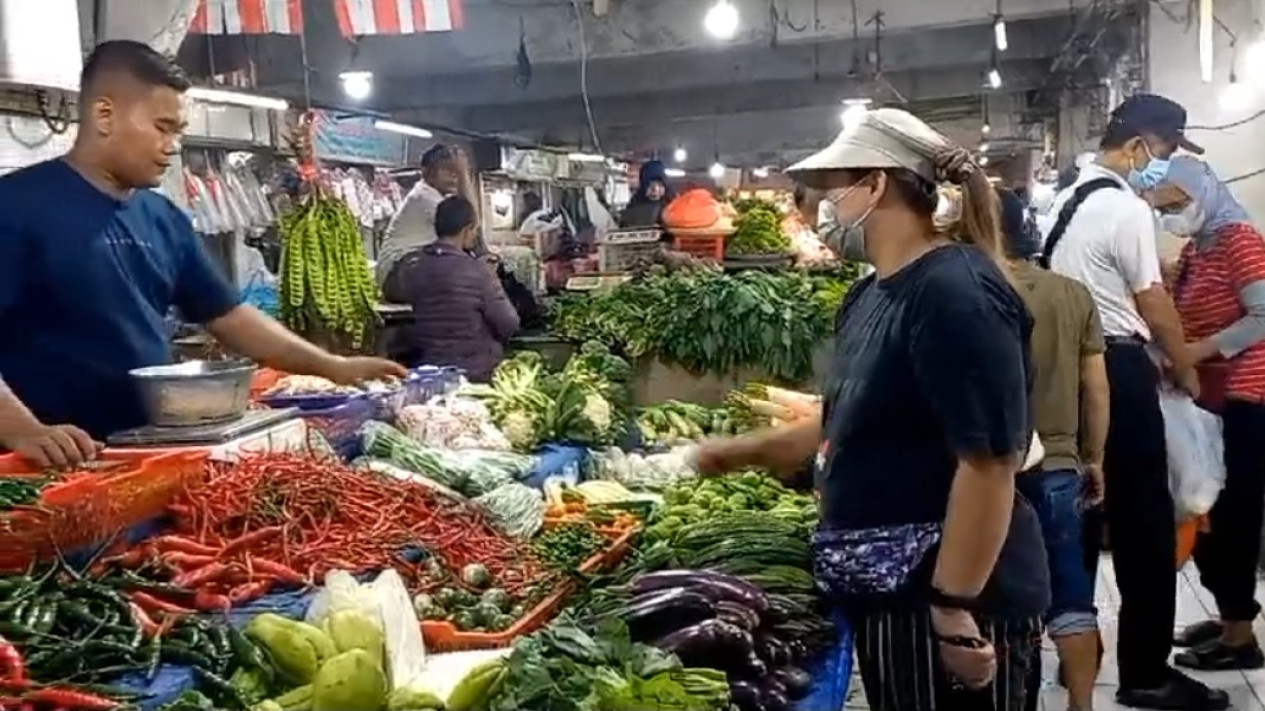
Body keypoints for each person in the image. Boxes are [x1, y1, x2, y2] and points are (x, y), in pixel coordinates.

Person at [697, 108, 1049, 711]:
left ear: (876, 184)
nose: (825, 209)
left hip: (943, 594)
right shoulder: (870, 293)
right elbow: (851, 419)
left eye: (834, 190)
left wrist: (953, 609)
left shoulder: (955, 290)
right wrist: (744, 452)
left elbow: (991, 460)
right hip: (887, 586)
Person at [0, 40, 405, 467]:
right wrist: (24, 429)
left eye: (178, 130)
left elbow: (228, 316)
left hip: (142, 453)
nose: (174, 145)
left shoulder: (163, 218)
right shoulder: (15, 207)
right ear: (104, 115)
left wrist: (330, 367)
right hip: (42, 471)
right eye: (163, 127)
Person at [1040, 94, 1228, 710]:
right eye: (1169, 150)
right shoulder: (1123, 207)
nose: (1168, 166)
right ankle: (1147, 674)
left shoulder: (1061, 201)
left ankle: (1079, 665)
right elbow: (1153, 303)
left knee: (1080, 520)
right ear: (1141, 144)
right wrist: (1185, 370)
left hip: (1061, 369)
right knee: (1145, 525)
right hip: (1116, 365)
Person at [1000, 187, 1109, 711]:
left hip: (990, 473)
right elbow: (1097, 387)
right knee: (1070, 593)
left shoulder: (971, 290)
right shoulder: (1072, 293)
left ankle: (1017, 697)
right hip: (1060, 468)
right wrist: (1095, 457)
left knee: (1004, 598)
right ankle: (1081, 705)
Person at [1158, 156, 1265, 672]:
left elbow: (1263, 316)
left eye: (1179, 203)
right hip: (1209, 400)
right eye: (1166, 207)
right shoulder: (1199, 249)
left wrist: (1195, 353)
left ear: (1205, 192)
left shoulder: (1239, 238)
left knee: (1234, 517)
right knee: (1209, 515)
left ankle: (1240, 635)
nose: (1173, 214)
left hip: (1248, 398)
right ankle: (1228, 616)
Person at [392, 196, 518, 382]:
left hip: (431, 370)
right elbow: (509, 324)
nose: (474, 235)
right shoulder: (477, 271)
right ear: (467, 230)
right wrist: (492, 279)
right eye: (474, 230)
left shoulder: (415, 267)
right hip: (476, 372)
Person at [378, 143, 478, 297]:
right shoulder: (424, 197)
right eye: (448, 171)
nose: (454, 177)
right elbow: (471, 221)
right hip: (398, 274)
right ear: (426, 173)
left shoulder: (437, 197)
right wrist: (463, 173)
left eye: (455, 172)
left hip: (406, 272)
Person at [619, 160, 674, 229]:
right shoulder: (634, 207)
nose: (655, 190)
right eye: (650, 185)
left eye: (660, 185)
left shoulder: (673, 206)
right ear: (643, 186)